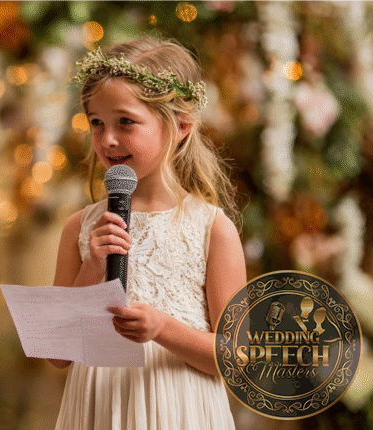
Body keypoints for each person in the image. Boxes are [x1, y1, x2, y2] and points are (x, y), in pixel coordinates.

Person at [49, 36, 246, 429]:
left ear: (181, 125)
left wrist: (163, 328)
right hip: (98, 408)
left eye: (126, 121)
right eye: (96, 123)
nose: (108, 139)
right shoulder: (81, 227)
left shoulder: (211, 229)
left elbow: (235, 360)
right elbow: (56, 354)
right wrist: (93, 265)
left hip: (179, 408)